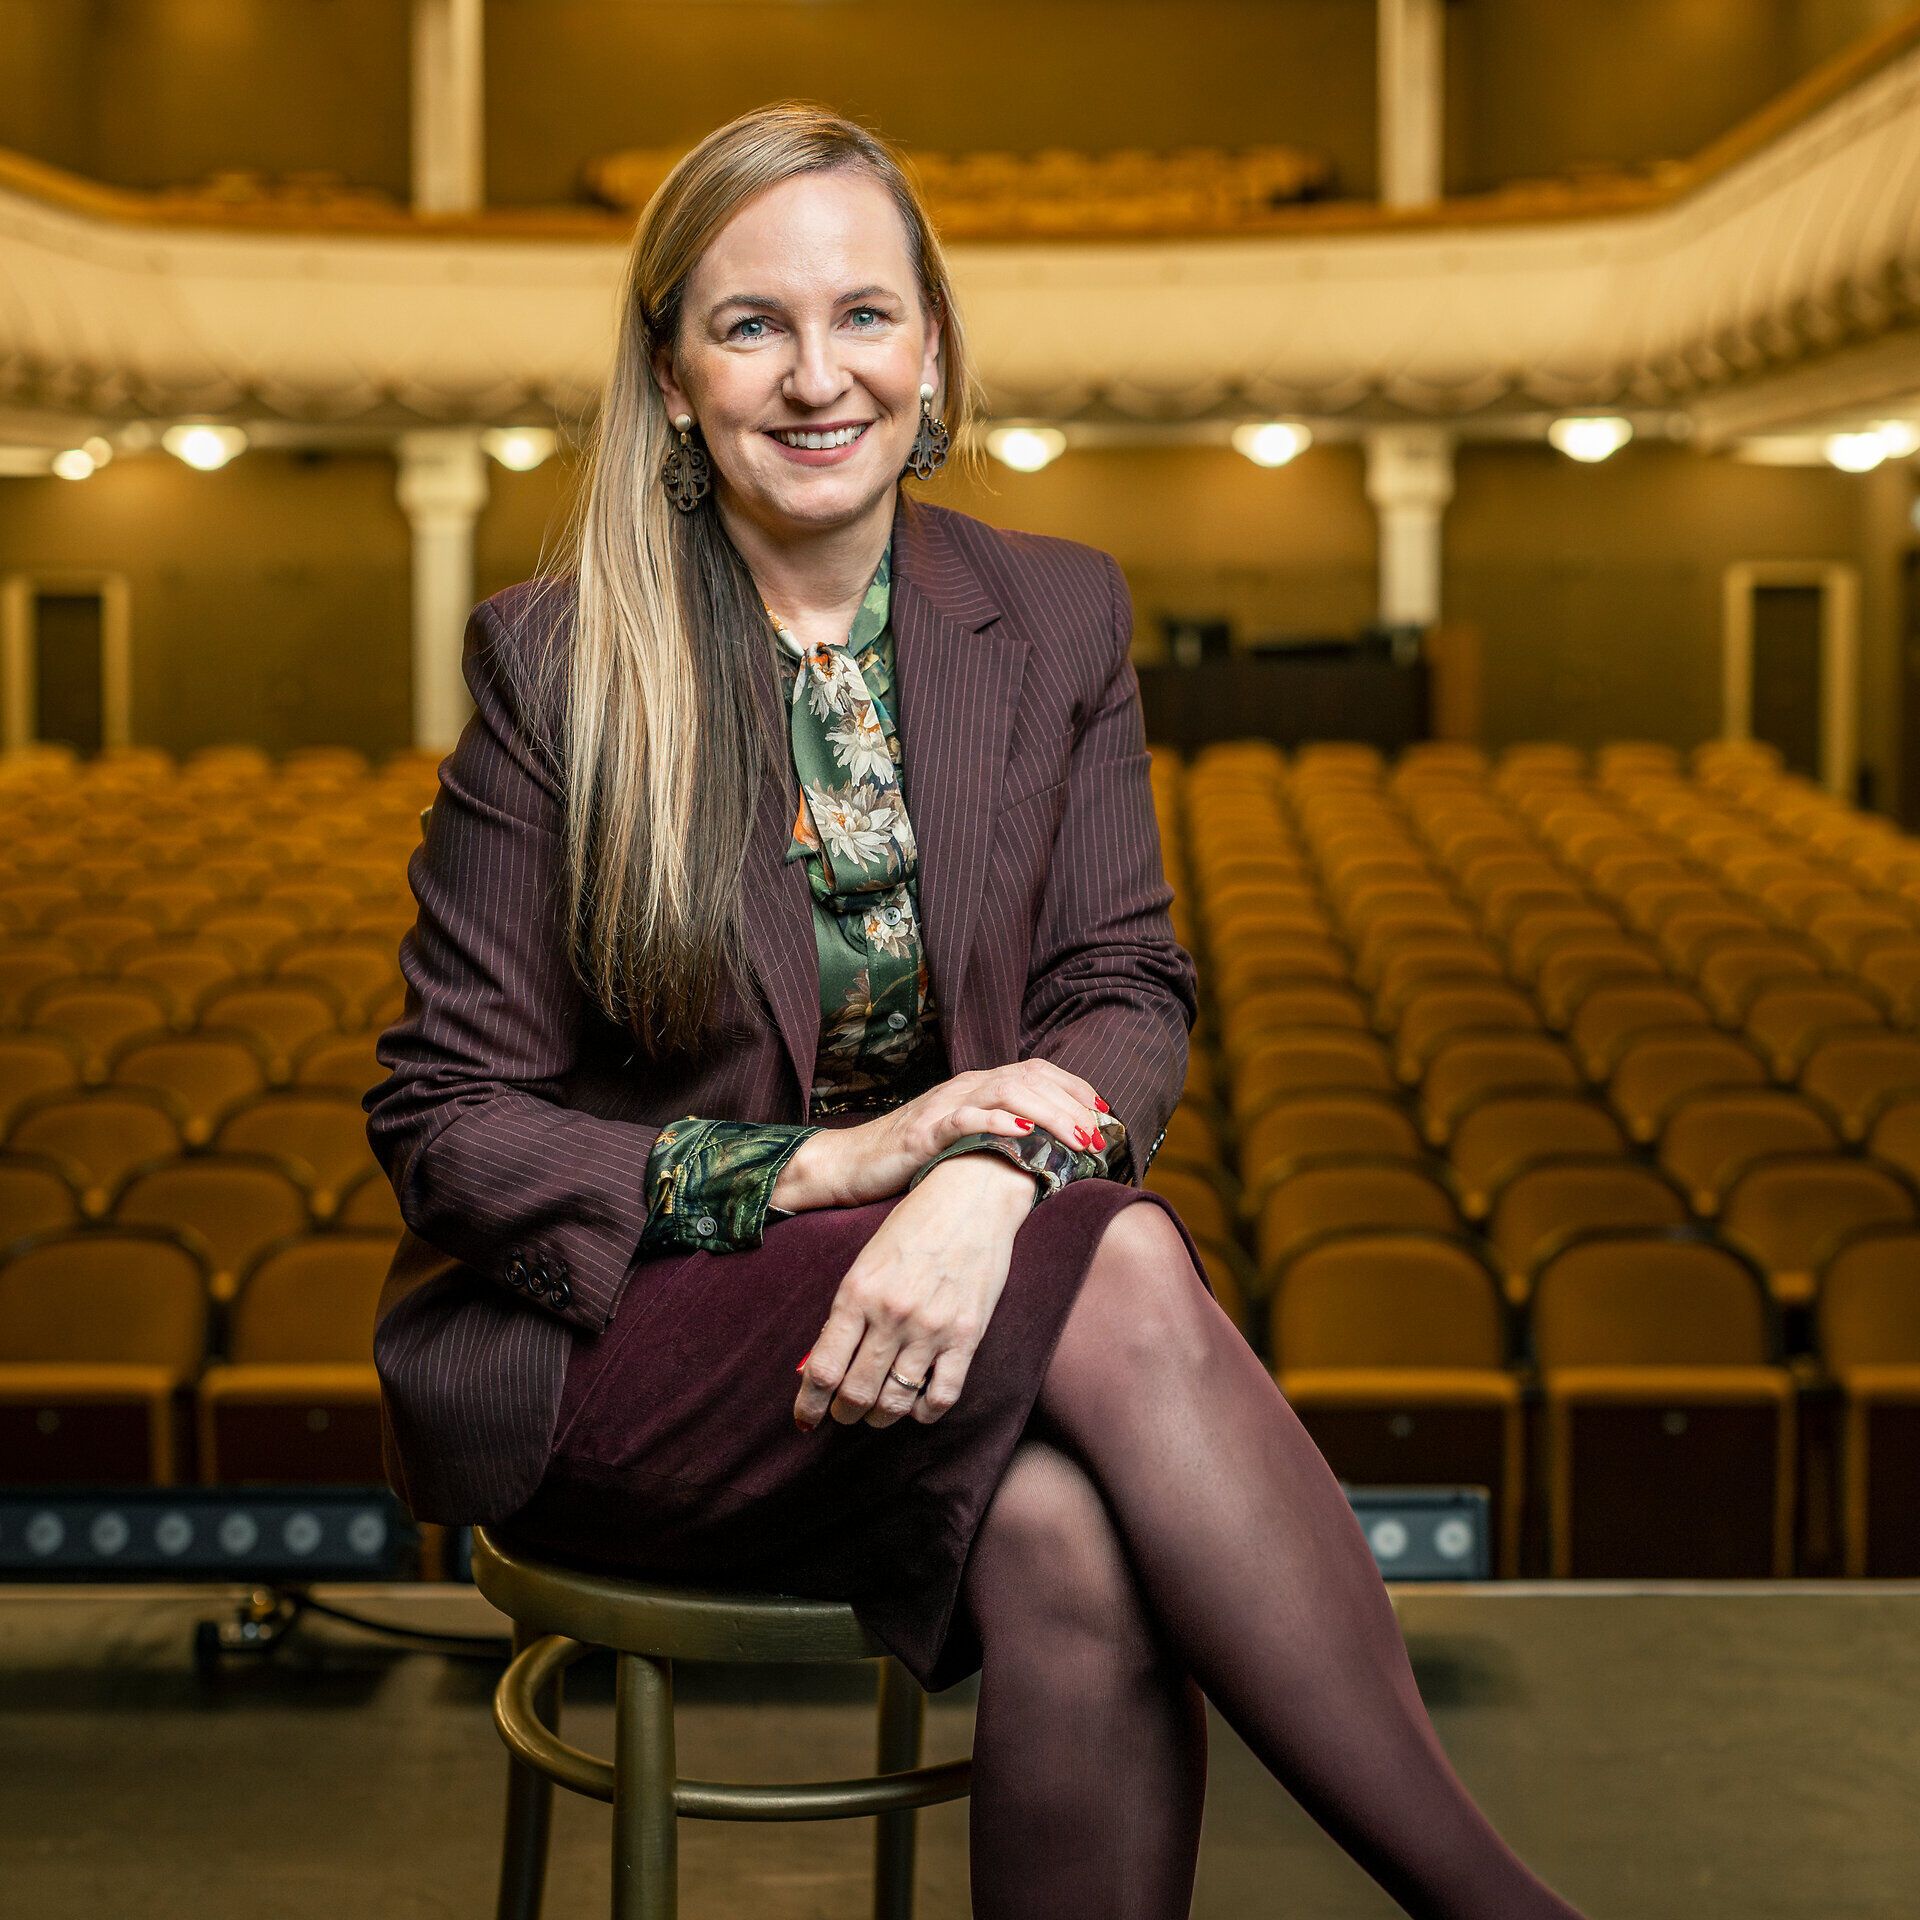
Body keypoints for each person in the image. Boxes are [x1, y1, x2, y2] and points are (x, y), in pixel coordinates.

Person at [363, 101, 1591, 1920]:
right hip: (619, 1344)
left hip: (944, 1310)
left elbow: (1124, 989)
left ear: (934, 352)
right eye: (751, 323)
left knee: (1071, 1540)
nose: (816, 375)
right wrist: (848, 1162)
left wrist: (983, 1180)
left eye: (866, 314)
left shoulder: (1057, 613)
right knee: (1127, 1261)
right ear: (674, 372)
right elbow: (444, 1121)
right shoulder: (557, 660)